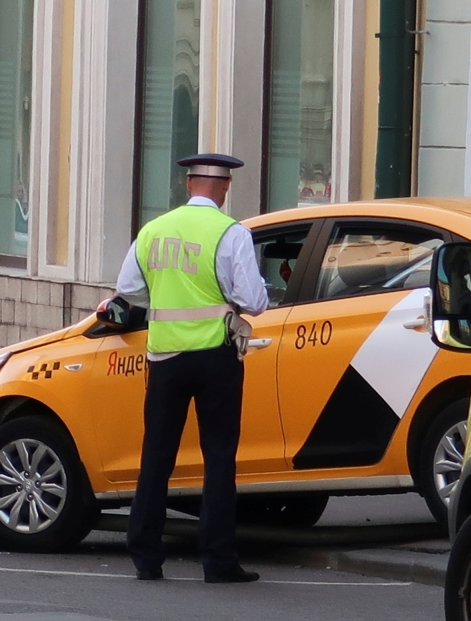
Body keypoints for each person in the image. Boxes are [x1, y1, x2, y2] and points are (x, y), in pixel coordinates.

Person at [117, 153, 268, 583]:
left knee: (157, 455)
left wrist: (164, 301)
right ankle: (218, 561)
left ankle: (145, 555)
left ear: (188, 185)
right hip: (216, 355)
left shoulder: (154, 230)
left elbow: (128, 288)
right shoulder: (230, 232)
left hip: (164, 357)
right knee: (218, 457)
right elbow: (254, 300)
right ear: (224, 188)